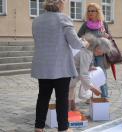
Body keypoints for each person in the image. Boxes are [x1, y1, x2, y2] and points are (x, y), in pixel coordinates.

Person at [31, 0, 84, 131]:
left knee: (43, 96)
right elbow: (75, 43)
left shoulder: (37, 20)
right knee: (62, 98)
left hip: (43, 65)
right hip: (60, 67)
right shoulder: (63, 18)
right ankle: (63, 128)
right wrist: (85, 43)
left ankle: (38, 127)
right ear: (60, 4)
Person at [69, 33, 115, 111]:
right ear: (99, 49)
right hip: (67, 70)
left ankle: (72, 107)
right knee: (69, 86)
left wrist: (88, 67)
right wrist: (93, 88)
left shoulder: (88, 45)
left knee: (71, 86)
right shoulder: (87, 52)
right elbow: (84, 75)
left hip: (69, 68)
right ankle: (68, 110)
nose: (102, 54)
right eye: (103, 52)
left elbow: (79, 62)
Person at [78, 3, 111, 98]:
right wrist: (84, 41)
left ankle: (105, 97)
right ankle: (90, 98)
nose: (90, 13)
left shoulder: (103, 24)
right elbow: (78, 37)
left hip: (100, 55)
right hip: (88, 55)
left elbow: (109, 38)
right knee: (90, 76)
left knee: (102, 75)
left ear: (98, 12)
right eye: (89, 11)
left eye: (93, 11)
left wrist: (107, 36)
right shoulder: (85, 25)